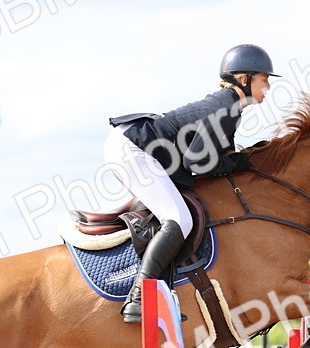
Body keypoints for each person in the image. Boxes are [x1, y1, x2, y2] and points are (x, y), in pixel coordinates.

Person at [104, 44, 278, 322]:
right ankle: (138, 298)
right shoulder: (226, 107)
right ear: (245, 79)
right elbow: (197, 162)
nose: (267, 86)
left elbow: (220, 156)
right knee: (179, 218)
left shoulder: (229, 107)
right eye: (264, 79)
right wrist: (240, 163)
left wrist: (246, 158)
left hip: (137, 145)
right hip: (132, 148)